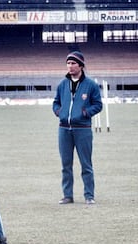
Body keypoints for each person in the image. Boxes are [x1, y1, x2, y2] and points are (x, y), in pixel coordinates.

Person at [52, 51, 103, 205]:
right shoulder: (62, 84)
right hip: (64, 129)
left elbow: (98, 105)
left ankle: (89, 195)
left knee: (86, 164)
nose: (70, 66)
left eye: (73, 63)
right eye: (68, 63)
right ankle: (68, 195)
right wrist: (59, 112)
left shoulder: (91, 85)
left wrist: (85, 113)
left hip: (83, 129)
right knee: (66, 164)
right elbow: (56, 102)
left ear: (81, 66)